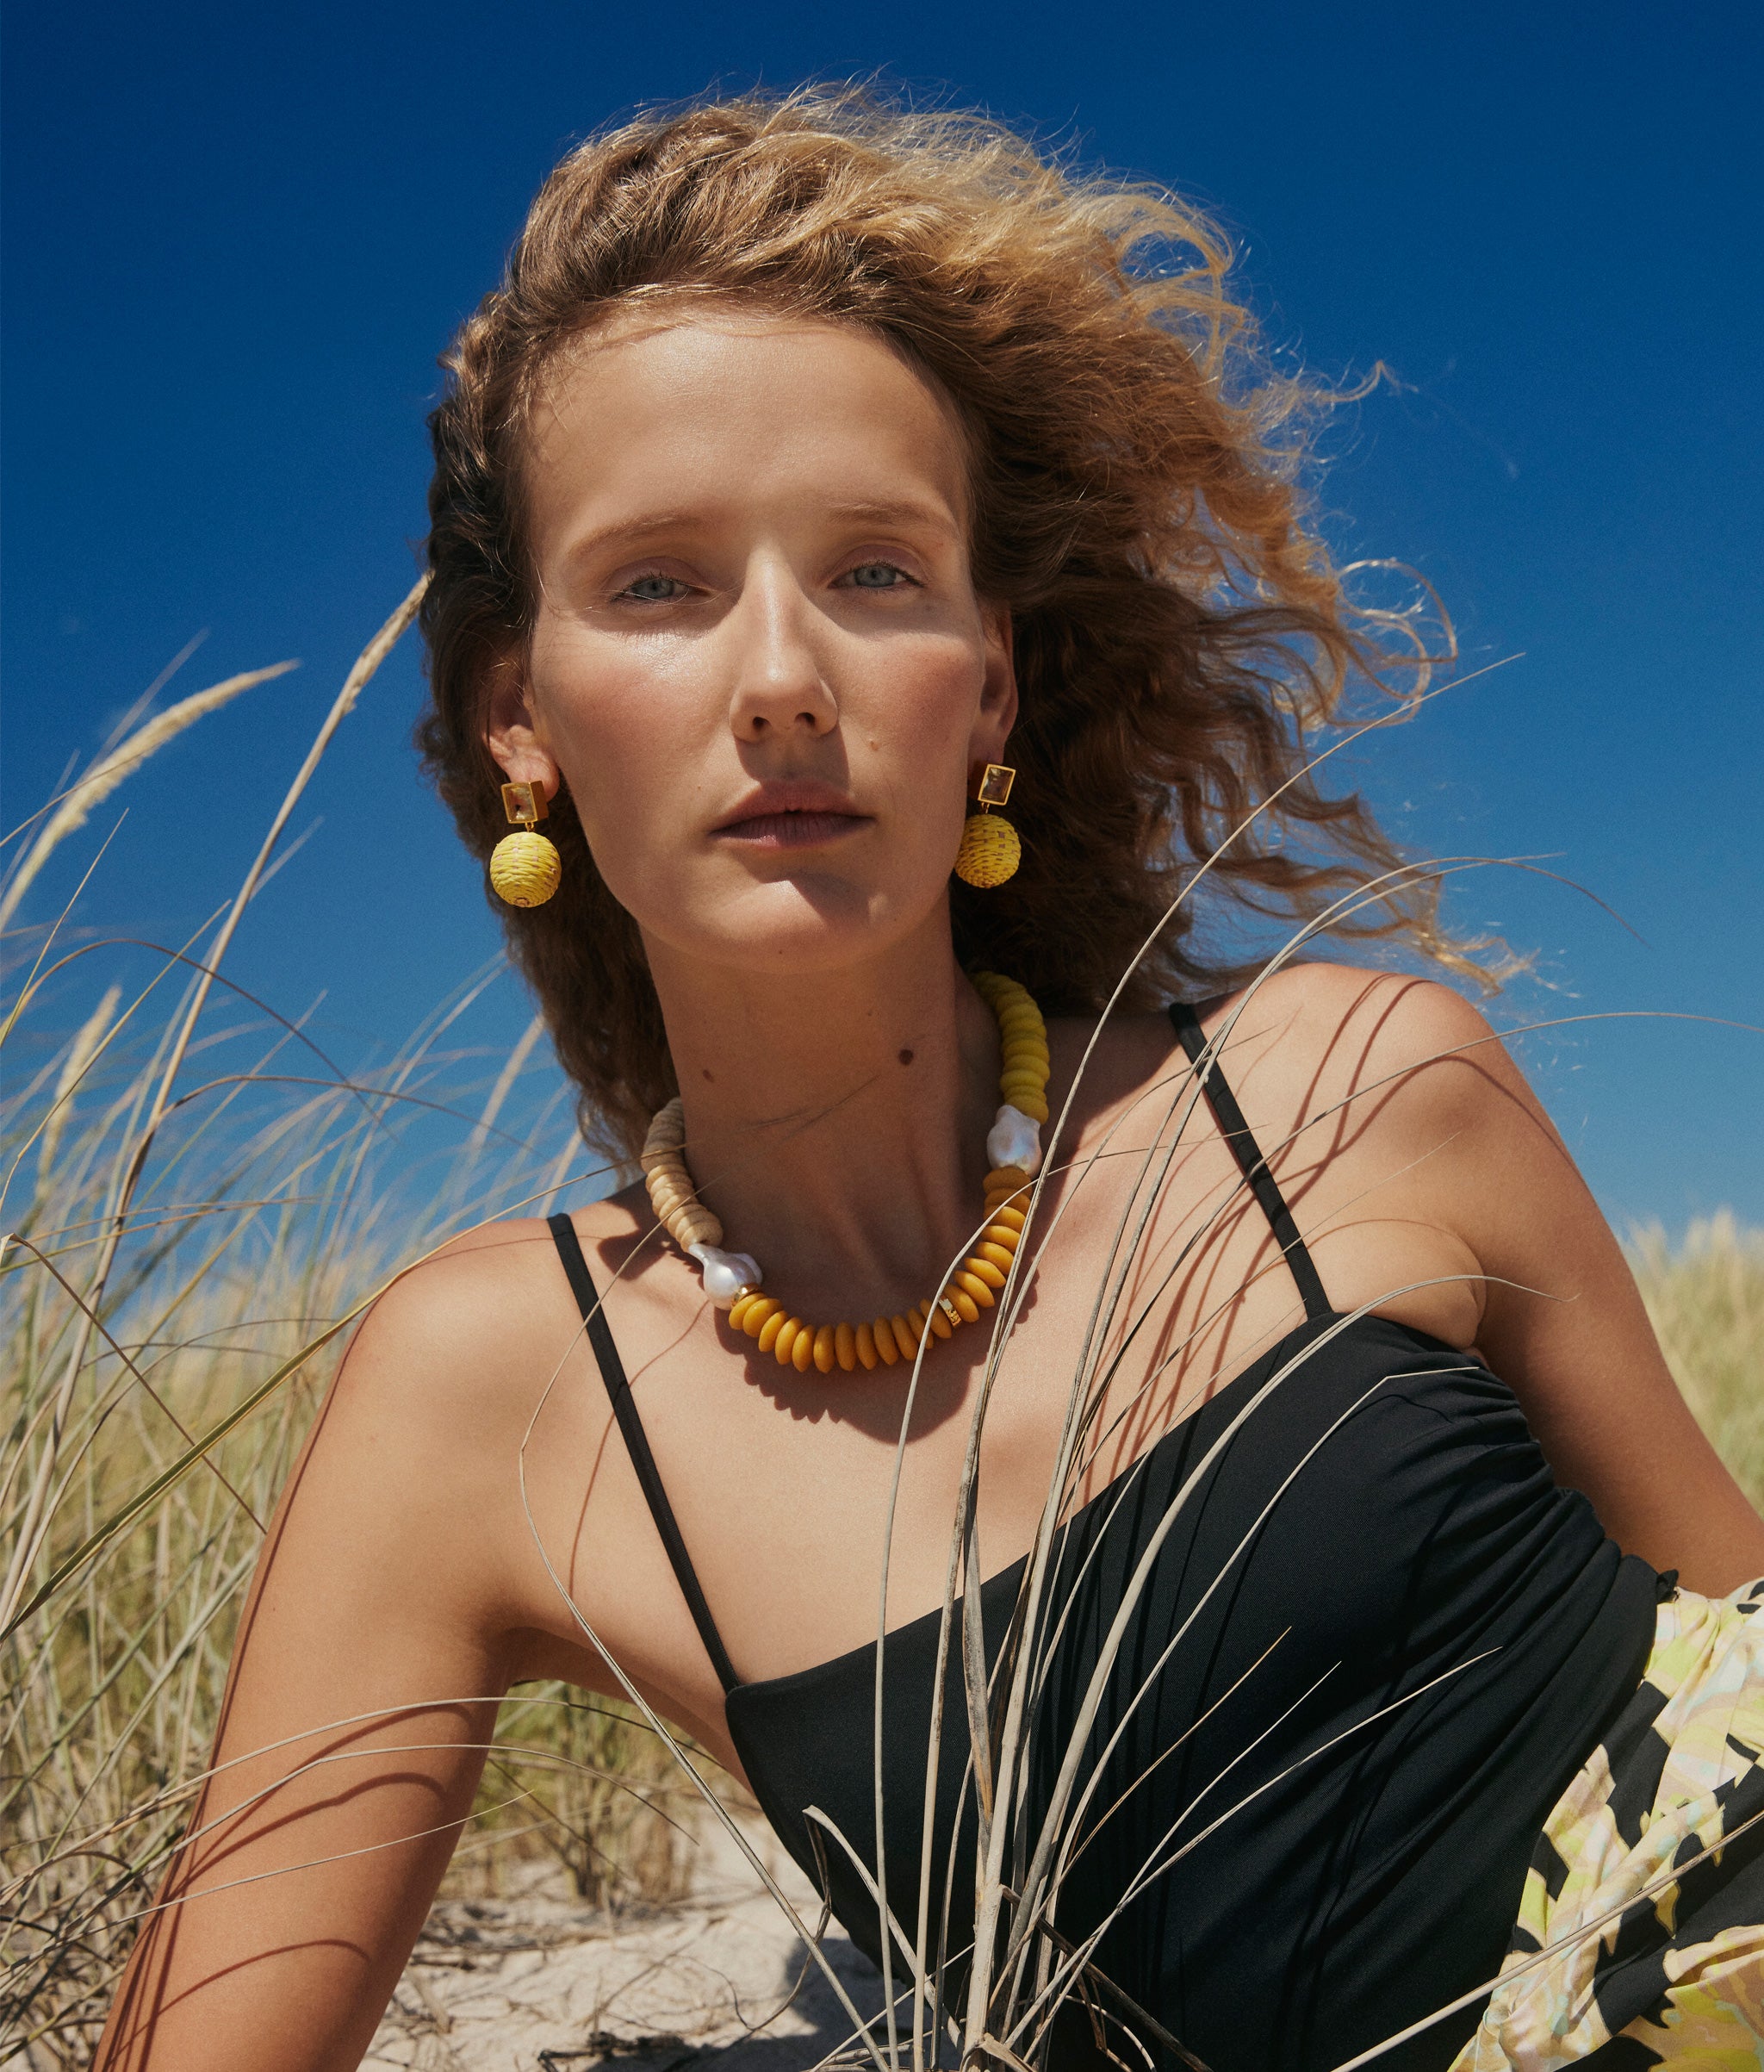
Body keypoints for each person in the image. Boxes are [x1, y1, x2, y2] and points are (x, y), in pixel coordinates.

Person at [95, 88, 1764, 2072]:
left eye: (877, 575)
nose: (784, 670)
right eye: (658, 584)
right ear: (522, 724)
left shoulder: (1357, 1086)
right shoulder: (489, 1392)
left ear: (983, 689)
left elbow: (1733, 1647)